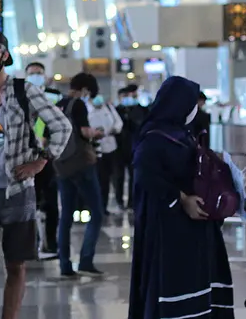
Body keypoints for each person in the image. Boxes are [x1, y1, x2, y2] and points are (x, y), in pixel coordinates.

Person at [0, 32, 72, 319]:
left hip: (17, 190)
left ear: (5, 55)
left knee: (16, 265)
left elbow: (62, 126)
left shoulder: (24, 91)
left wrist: (42, 162)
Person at [128, 76, 233, 319]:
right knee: (173, 284)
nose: (195, 109)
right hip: (169, 226)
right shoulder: (154, 137)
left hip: (193, 227)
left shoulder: (182, 133)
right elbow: (144, 175)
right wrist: (180, 198)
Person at [56, 73, 106, 277]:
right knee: (97, 212)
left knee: (66, 215)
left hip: (61, 165)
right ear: (85, 89)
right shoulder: (78, 105)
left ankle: (65, 265)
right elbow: (85, 132)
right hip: (81, 164)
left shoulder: (58, 104)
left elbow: (45, 137)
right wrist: (98, 132)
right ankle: (86, 260)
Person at [25, 61, 61, 257]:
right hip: (27, 157)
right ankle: (32, 245)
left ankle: (51, 243)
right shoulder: (20, 97)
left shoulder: (54, 96)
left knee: (51, 203)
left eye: (38, 73)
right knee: (29, 204)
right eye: (32, 73)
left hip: (48, 157)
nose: (35, 76)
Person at [88, 87, 124, 213]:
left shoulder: (109, 109)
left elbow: (119, 123)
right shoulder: (88, 110)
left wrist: (114, 129)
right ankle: (97, 206)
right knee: (99, 179)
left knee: (110, 178)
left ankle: (105, 206)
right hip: (96, 148)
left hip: (111, 146)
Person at [114, 85, 148, 212]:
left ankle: (132, 202)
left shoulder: (142, 110)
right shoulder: (117, 110)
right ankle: (119, 201)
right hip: (119, 148)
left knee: (134, 176)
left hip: (135, 147)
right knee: (119, 176)